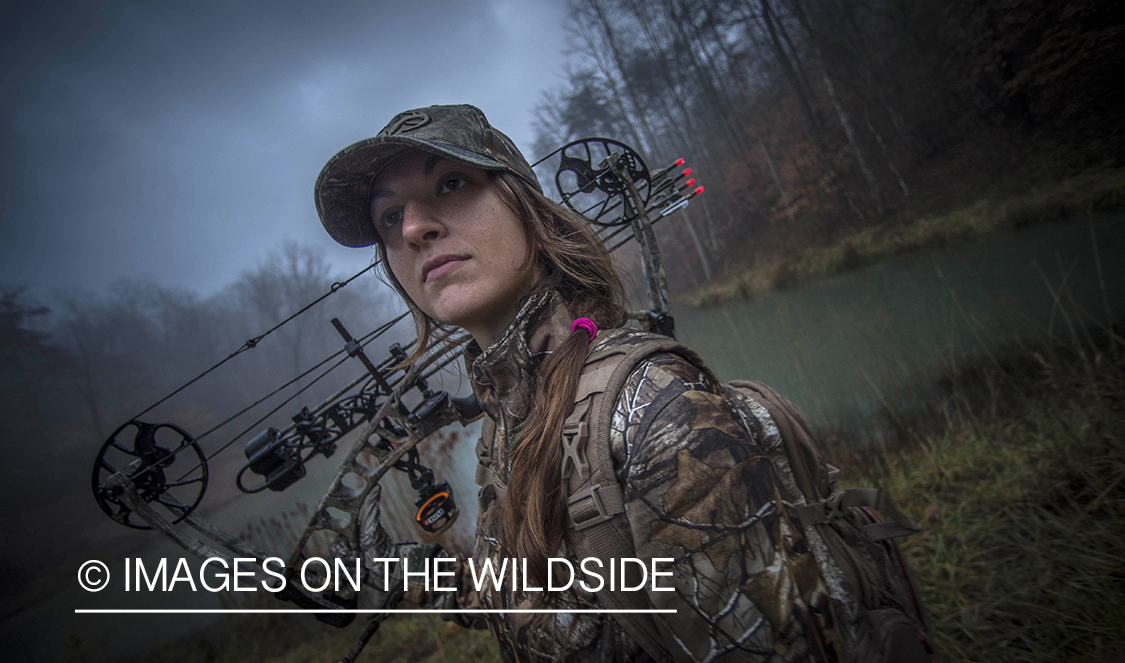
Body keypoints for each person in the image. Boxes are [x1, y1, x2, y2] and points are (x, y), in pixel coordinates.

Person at [314, 105, 892, 663]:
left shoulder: (657, 412)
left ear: (527, 210)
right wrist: (385, 574)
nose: (414, 227)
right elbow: (521, 589)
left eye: (452, 184)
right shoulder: (507, 419)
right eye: (389, 218)